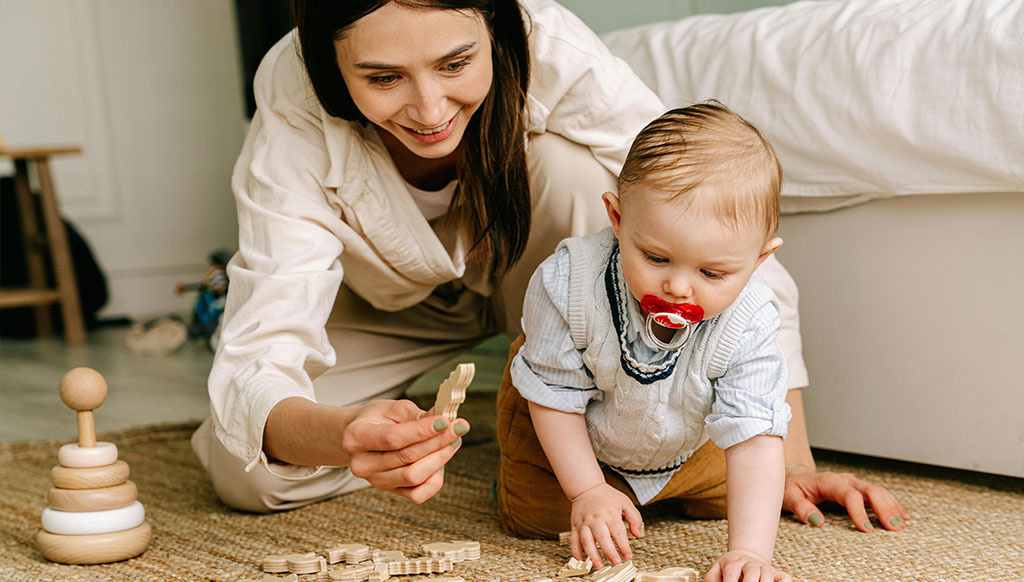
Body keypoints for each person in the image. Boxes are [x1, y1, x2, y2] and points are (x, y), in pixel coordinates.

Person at [191, 0, 908, 536]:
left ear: (495, 33)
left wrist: (795, 462)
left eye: (455, 64)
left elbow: (718, 227)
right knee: (248, 473)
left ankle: (592, 449)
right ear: (330, 68)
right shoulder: (292, 111)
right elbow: (259, 356)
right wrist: (344, 433)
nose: (430, 109)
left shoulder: (552, 47)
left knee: (572, 170)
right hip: (386, 305)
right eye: (382, 78)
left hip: (551, 280)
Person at [498, 103, 796, 582]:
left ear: (760, 258)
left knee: (744, 491)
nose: (679, 287)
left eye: (713, 274)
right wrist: (589, 491)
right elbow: (554, 395)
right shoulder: (566, 282)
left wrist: (751, 552)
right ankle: (586, 487)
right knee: (533, 517)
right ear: (616, 217)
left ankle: (655, 493)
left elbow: (755, 433)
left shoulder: (755, 317)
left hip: (684, 440)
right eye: (656, 257)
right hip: (567, 423)